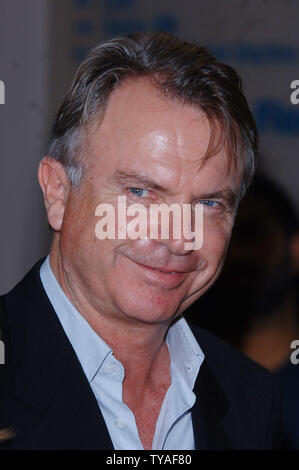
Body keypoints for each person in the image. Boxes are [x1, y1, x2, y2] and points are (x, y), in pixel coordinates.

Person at [0, 31, 281, 450]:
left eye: (208, 203)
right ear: (57, 192)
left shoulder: (249, 398)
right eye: (140, 192)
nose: (177, 237)